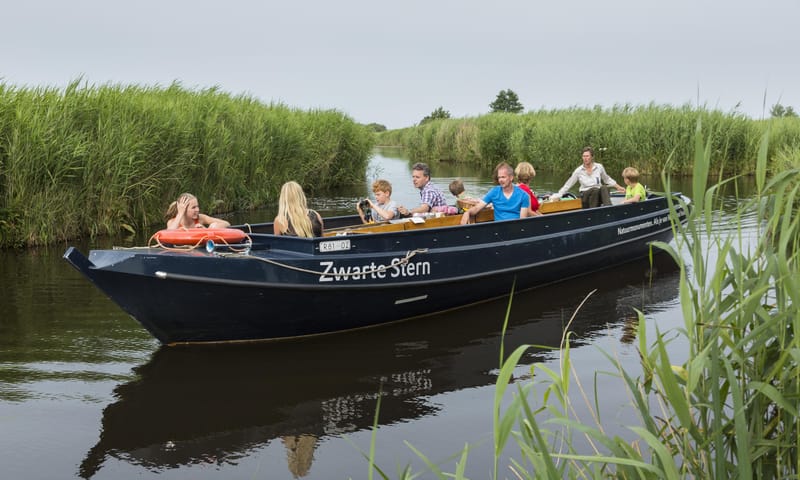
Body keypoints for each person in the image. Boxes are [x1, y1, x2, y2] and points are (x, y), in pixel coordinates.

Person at [550, 147, 625, 208]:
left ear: (592, 157)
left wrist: (618, 187)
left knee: (604, 187)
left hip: (597, 194)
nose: (585, 158)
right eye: (584, 156)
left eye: (587, 156)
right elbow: (568, 184)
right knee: (594, 190)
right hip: (585, 196)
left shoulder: (599, 167)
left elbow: (607, 179)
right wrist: (558, 195)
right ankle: (593, 212)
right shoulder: (578, 171)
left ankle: (608, 209)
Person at [460, 162, 531, 224]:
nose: (500, 180)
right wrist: (467, 212)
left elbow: (522, 222)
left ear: (511, 177)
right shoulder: (494, 192)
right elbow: (477, 208)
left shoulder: (523, 195)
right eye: (499, 177)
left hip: (515, 230)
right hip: (499, 230)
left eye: (503, 177)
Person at [165, 192, 230, 229]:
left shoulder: (201, 218)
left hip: (201, 249)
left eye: (197, 206)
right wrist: (180, 213)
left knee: (214, 225)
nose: (197, 210)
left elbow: (227, 223)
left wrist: (206, 230)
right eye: (193, 207)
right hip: (183, 250)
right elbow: (169, 233)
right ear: (183, 209)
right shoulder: (172, 222)